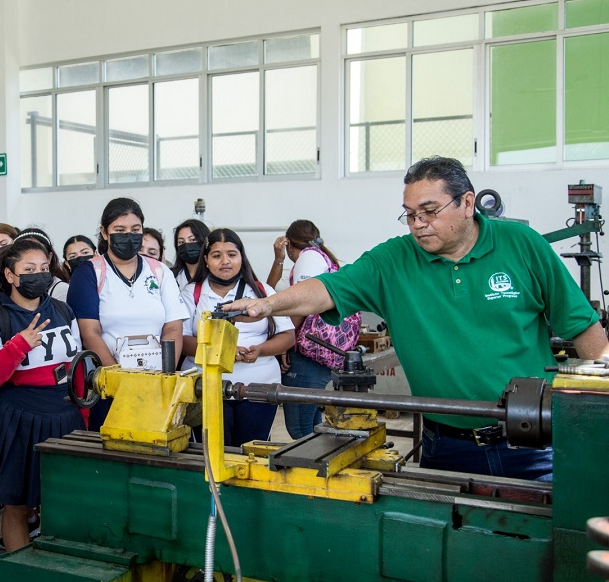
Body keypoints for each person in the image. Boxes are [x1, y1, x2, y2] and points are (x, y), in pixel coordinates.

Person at [225, 156, 609, 481]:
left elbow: (584, 329)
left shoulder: (524, 246)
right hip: (446, 445)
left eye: (429, 211)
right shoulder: (394, 260)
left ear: (467, 203)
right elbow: (328, 287)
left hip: (532, 444)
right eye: (409, 214)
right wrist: (269, 304)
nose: (417, 223)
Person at [0, 238, 85, 555]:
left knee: (63, 501)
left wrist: (82, 412)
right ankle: (21, 569)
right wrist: (18, 346)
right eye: (29, 269)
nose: (39, 275)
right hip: (18, 419)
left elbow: (78, 367)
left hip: (64, 414)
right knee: (17, 504)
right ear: (10, 275)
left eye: (44, 269)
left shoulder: (62, 309)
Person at [67, 198, 189, 430]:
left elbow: (173, 326)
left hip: (157, 384)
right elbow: (90, 333)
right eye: (119, 230)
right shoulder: (89, 273)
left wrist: (164, 376)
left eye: (135, 230)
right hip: (109, 385)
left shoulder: (159, 271)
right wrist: (121, 381)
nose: (129, 236)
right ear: (104, 233)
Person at [180, 229, 294, 446]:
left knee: (253, 452)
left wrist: (260, 350)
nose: (225, 261)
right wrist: (222, 352)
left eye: (232, 254)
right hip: (205, 387)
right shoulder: (192, 293)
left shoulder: (262, 291)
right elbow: (182, 340)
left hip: (259, 387)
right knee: (212, 452)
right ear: (206, 259)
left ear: (242, 257)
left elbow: (288, 336)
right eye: (216, 255)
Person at [266, 220, 343, 439]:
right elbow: (268, 289)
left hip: (308, 354)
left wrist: (285, 341)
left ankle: (312, 470)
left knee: (300, 429)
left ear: (288, 242)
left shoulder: (308, 258)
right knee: (311, 424)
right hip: (318, 352)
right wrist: (279, 259)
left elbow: (302, 305)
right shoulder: (316, 258)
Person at [14, 228, 69, 302]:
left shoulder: (60, 290)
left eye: (38, 249)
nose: (32, 256)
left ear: (49, 257)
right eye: (29, 269)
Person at [171, 219, 211, 288]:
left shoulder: (216, 274)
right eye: (181, 242)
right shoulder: (171, 275)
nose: (186, 245)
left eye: (192, 240)